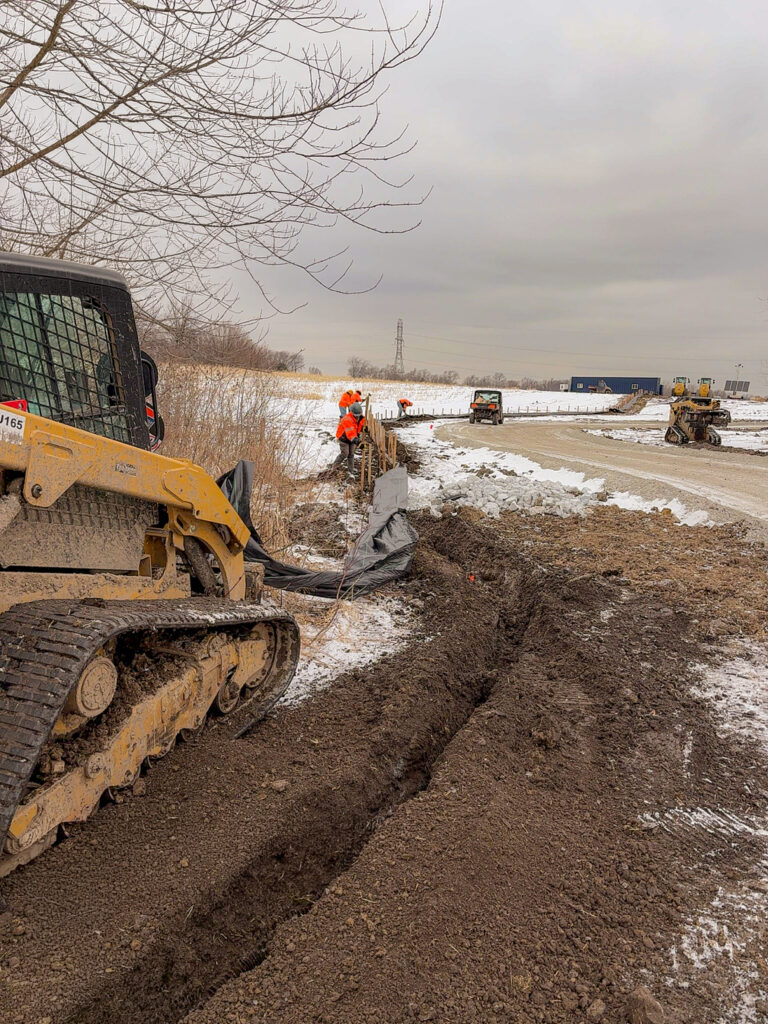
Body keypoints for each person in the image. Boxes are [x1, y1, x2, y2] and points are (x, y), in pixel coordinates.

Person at [335, 401, 366, 477]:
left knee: (351, 454)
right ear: (351, 412)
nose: (357, 417)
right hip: (344, 438)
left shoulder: (361, 417)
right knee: (345, 453)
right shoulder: (347, 419)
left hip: (353, 437)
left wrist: (364, 428)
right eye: (355, 415)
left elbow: (359, 426)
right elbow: (350, 434)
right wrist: (358, 443)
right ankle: (334, 468)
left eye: (358, 415)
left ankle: (350, 471)